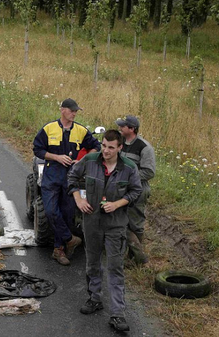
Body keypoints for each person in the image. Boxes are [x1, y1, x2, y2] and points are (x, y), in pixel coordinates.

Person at [68, 129, 142, 332]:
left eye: (111, 147)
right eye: (104, 146)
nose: (106, 151)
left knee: (115, 267)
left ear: (120, 148)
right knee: (92, 263)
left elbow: (136, 191)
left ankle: (118, 314)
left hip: (116, 225)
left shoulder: (128, 168)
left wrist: (117, 204)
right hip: (91, 222)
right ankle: (94, 298)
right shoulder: (91, 160)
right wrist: (79, 199)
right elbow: (72, 178)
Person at [33, 98, 101, 266]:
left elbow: (96, 147)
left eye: (76, 111)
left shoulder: (81, 130)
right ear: (62, 110)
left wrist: (83, 160)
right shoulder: (49, 129)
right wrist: (56, 156)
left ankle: (59, 249)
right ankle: (70, 239)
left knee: (67, 213)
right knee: (50, 211)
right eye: (71, 110)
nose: (74, 113)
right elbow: (37, 149)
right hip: (52, 174)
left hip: (71, 176)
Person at [116, 115, 156, 265]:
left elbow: (149, 172)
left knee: (135, 224)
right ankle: (131, 255)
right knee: (120, 220)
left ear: (131, 129)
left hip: (137, 191)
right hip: (121, 190)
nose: (120, 128)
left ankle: (137, 259)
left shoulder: (145, 148)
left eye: (123, 126)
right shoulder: (121, 143)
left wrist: (127, 176)